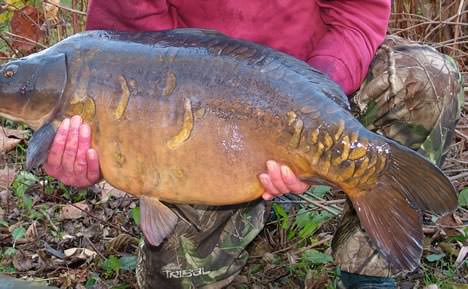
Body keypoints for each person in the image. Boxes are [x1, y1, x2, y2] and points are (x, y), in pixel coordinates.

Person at [43, 1, 464, 288]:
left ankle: (370, 270)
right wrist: (102, 151)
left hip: (314, 75)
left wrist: (311, 109)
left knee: (427, 78)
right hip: (202, 109)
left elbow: (355, 13)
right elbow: (127, 52)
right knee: (179, 276)